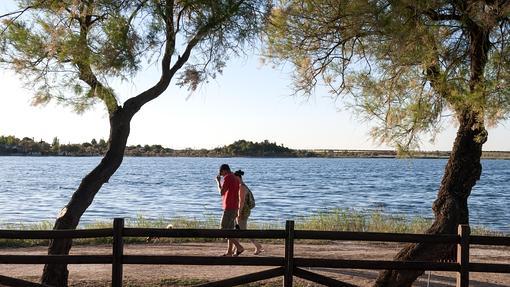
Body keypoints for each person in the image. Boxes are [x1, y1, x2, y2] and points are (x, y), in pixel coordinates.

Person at [215, 164, 244, 256]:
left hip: (229, 207)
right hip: (235, 206)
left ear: (224, 170)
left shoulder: (228, 178)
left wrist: (218, 182)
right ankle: (229, 252)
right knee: (230, 230)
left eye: (221, 173)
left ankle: (239, 247)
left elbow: (221, 192)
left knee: (223, 228)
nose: (222, 175)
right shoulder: (235, 177)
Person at [234, 169, 264, 255]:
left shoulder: (241, 187)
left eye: (234, 178)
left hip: (243, 211)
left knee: (243, 231)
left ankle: (257, 245)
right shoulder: (242, 186)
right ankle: (235, 248)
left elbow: (242, 201)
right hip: (242, 211)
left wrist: (239, 213)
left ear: (238, 177)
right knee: (238, 230)